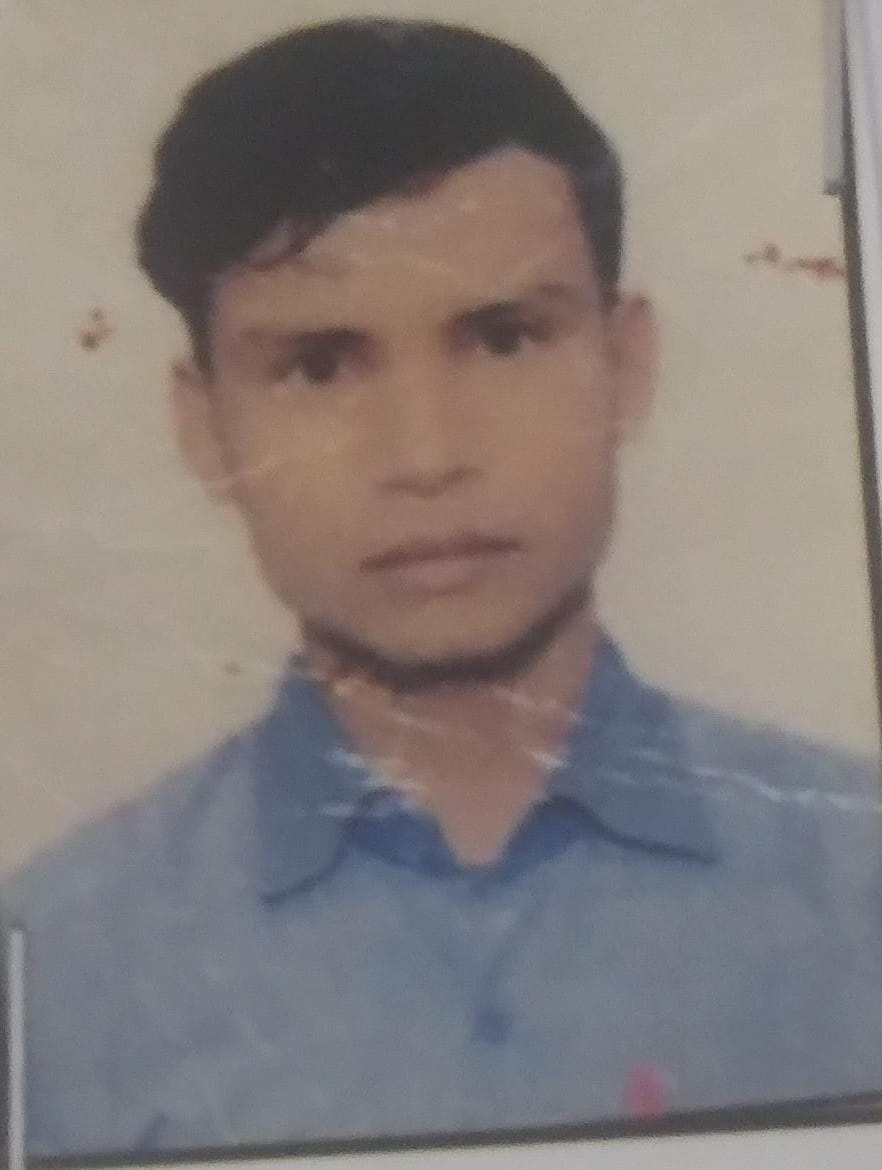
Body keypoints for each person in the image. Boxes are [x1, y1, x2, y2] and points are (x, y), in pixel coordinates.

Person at [4, 17, 882, 1159]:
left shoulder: (860, 883)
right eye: (319, 365)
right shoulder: (55, 974)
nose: (425, 456)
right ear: (205, 426)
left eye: (505, 337)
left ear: (625, 365)